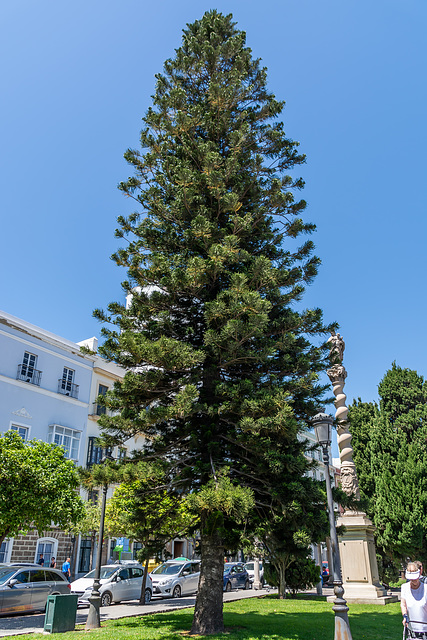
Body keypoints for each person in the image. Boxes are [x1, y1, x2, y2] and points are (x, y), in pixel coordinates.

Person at [401, 562, 427, 636]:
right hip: (411, 628)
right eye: (411, 579)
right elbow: (403, 604)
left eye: (415, 578)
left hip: (425, 627)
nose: (414, 580)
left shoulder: (425, 588)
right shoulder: (404, 587)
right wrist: (405, 616)